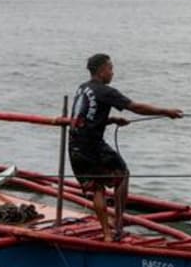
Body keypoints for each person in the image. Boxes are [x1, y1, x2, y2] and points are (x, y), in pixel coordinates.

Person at [69, 53, 181, 241]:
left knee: (97, 188)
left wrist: (110, 119)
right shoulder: (106, 91)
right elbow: (135, 107)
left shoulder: (82, 89)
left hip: (75, 147)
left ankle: (106, 233)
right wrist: (166, 111)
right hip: (92, 147)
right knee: (122, 173)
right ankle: (117, 221)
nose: (112, 73)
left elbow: (85, 118)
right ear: (102, 70)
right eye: (110, 68)